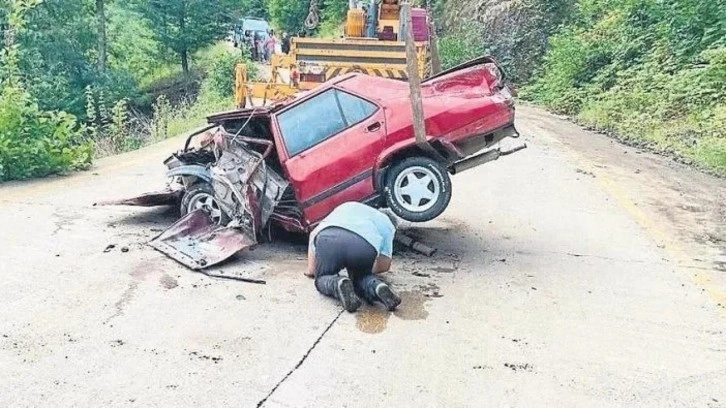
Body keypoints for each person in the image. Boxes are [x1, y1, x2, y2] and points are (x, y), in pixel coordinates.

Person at [306, 202, 402, 313]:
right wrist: (360, 269)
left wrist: (311, 270)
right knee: (361, 278)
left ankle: (337, 284)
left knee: (323, 278)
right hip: (363, 245)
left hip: (329, 238)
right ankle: (377, 287)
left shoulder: (349, 205)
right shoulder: (387, 224)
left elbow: (313, 233)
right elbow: (384, 265)